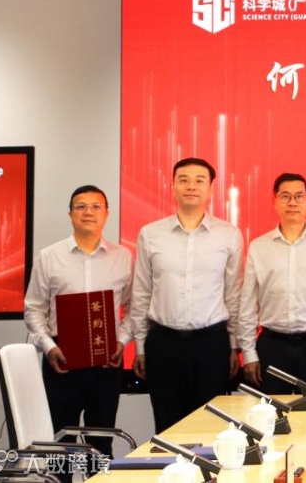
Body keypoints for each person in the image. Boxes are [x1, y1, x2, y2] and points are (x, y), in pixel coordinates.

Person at [129, 157, 244, 433]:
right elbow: (141, 293)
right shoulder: (150, 234)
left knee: (210, 429)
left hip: (211, 344)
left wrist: (234, 345)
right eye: (183, 180)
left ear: (211, 189)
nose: (191, 186)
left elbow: (234, 295)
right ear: (172, 187)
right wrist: (141, 346)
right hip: (163, 344)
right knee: (167, 428)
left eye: (199, 180)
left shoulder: (229, 235)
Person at [23, 185, 132, 457]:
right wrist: (48, 347)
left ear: (106, 213)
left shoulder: (123, 257)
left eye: (96, 206)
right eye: (80, 206)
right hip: (61, 359)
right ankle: (60, 477)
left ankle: (98, 477)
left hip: (106, 361)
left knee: (101, 442)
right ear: (70, 214)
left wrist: (122, 342)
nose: (88, 212)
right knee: (61, 443)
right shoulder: (49, 256)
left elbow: (135, 308)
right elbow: (33, 308)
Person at [238, 172, 306, 396]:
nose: (293, 202)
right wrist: (248, 353)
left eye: (299, 196)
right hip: (272, 345)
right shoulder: (259, 247)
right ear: (274, 201)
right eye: (285, 196)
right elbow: (247, 304)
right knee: (272, 413)